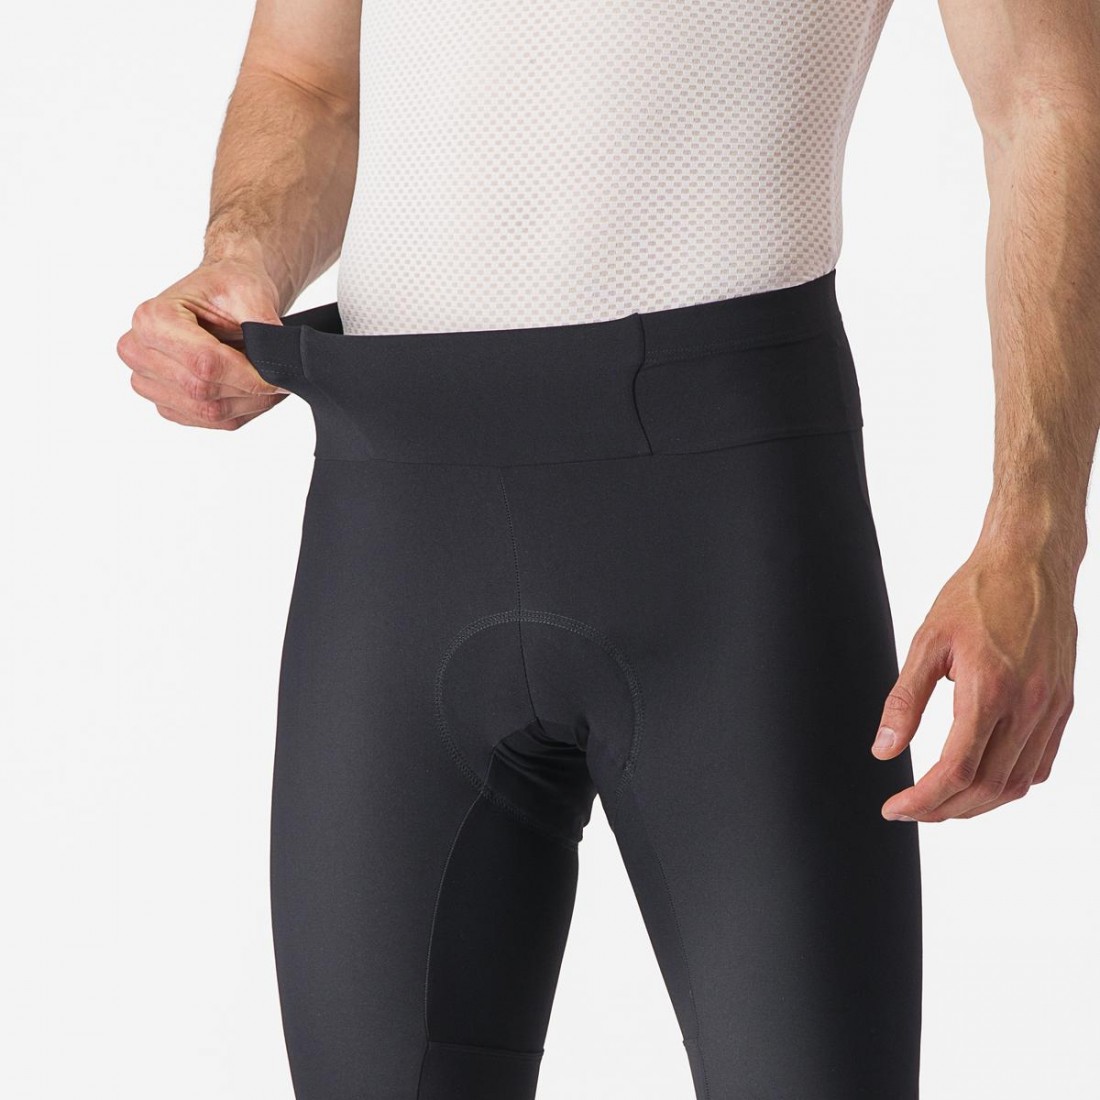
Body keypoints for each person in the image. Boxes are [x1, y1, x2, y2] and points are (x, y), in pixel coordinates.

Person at [115, 2, 1099, 1097]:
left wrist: (1036, 535)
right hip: (390, 527)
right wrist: (239, 256)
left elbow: (1048, 102)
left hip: (725, 538)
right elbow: (309, 80)